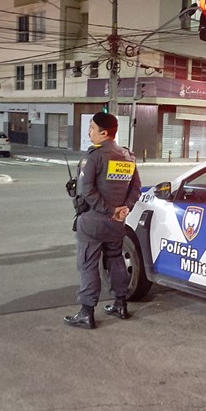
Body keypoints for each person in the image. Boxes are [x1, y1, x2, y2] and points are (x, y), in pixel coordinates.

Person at [64, 112, 141, 329]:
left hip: (93, 222)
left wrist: (109, 210)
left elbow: (87, 191)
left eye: (92, 128)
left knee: (88, 264)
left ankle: (86, 312)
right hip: (117, 223)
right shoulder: (127, 156)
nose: (89, 131)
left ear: (104, 132)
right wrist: (123, 210)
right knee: (115, 260)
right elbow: (135, 188)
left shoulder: (94, 157)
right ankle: (120, 304)